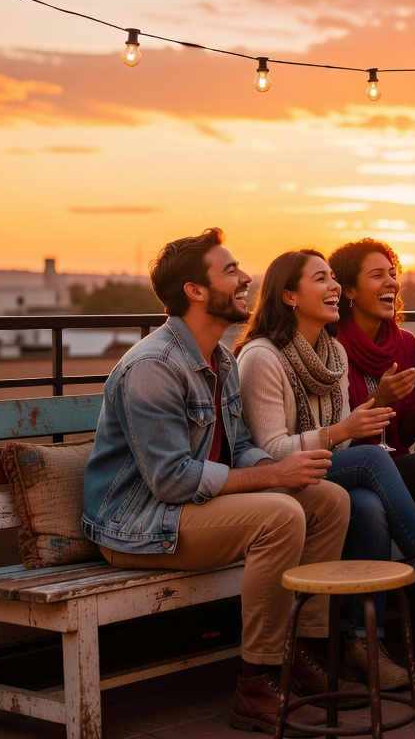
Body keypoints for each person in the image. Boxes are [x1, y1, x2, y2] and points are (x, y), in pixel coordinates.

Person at [81, 229, 349, 733]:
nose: (246, 277)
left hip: (183, 509)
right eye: (230, 271)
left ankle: (303, 651)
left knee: (327, 500)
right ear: (195, 291)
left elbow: (240, 445)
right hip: (137, 523)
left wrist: (285, 467)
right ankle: (257, 682)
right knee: (281, 515)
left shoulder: (220, 358)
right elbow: (172, 481)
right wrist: (273, 478)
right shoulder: (153, 367)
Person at [235, 249, 415, 692]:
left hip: (320, 478)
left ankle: (365, 644)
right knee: (375, 458)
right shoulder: (261, 358)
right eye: (320, 279)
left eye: (332, 278)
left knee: (367, 505)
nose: (333, 287)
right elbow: (271, 451)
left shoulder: (332, 354)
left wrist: (351, 425)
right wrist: (342, 429)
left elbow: (342, 440)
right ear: (288, 296)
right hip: (273, 482)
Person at [328, 239, 415, 564]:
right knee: (369, 506)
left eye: (392, 274)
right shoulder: (332, 345)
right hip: (351, 466)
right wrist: (379, 398)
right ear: (348, 290)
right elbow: (338, 434)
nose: (391, 282)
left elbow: (403, 438)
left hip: (392, 465)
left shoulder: (405, 343)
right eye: (377, 275)